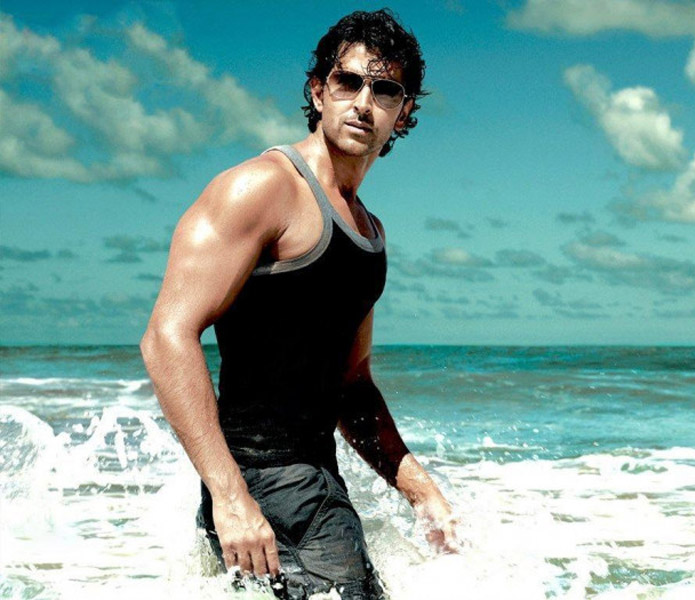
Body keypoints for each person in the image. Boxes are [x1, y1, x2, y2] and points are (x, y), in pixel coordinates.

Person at [140, 9, 457, 599]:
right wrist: (231, 498)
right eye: (348, 82)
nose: (363, 103)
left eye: (385, 90)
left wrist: (419, 490)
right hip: (261, 484)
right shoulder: (262, 188)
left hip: (315, 485)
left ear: (404, 111)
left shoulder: (369, 233)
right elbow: (166, 336)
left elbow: (351, 385)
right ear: (318, 91)